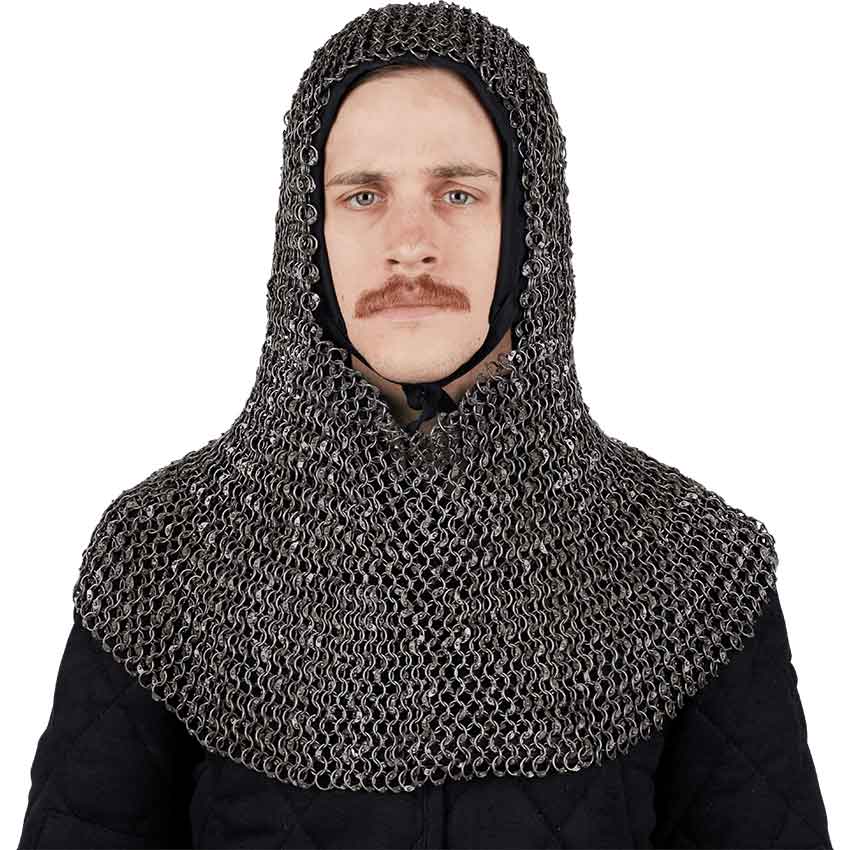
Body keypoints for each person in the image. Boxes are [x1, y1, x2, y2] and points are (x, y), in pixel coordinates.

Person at [17, 2, 832, 848]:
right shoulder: (167, 557)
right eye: (363, 195)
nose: (410, 244)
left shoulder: (686, 567)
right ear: (308, 233)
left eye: (458, 192)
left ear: (529, 226)